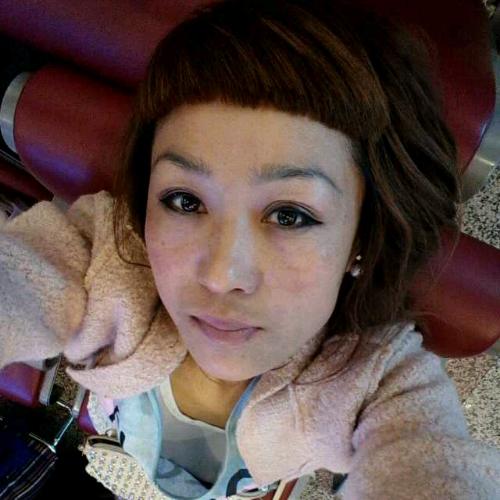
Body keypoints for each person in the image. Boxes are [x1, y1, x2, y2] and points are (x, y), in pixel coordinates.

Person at [1, 0, 499, 498]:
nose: (222, 275)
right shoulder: (103, 256)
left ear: (362, 239)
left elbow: (429, 462)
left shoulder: (378, 379)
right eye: (185, 201)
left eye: (290, 216)